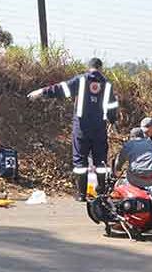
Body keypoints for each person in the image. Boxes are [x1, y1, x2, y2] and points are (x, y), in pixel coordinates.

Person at [27, 58, 119, 201]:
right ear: (100, 69)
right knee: (100, 162)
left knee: (80, 161)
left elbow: (60, 89)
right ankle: (102, 193)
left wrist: (41, 92)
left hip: (82, 128)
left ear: (89, 68)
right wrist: (112, 121)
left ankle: (82, 195)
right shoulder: (107, 85)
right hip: (99, 128)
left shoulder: (81, 80)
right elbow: (112, 107)